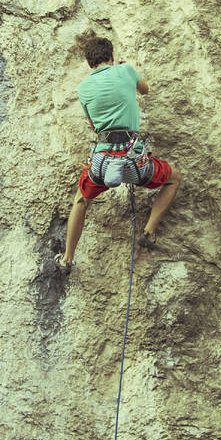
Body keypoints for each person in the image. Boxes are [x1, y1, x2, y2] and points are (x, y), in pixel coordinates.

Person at [57, 35, 181, 272]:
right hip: (134, 161)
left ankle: (67, 259)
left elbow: (93, 125)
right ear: (111, 56)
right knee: (174, 177)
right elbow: (145, 90)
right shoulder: (124, 70)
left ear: (89, 64)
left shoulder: (83, 88)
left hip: (102, 162)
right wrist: (125, 72)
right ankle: (148, 231)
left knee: (80, 200)